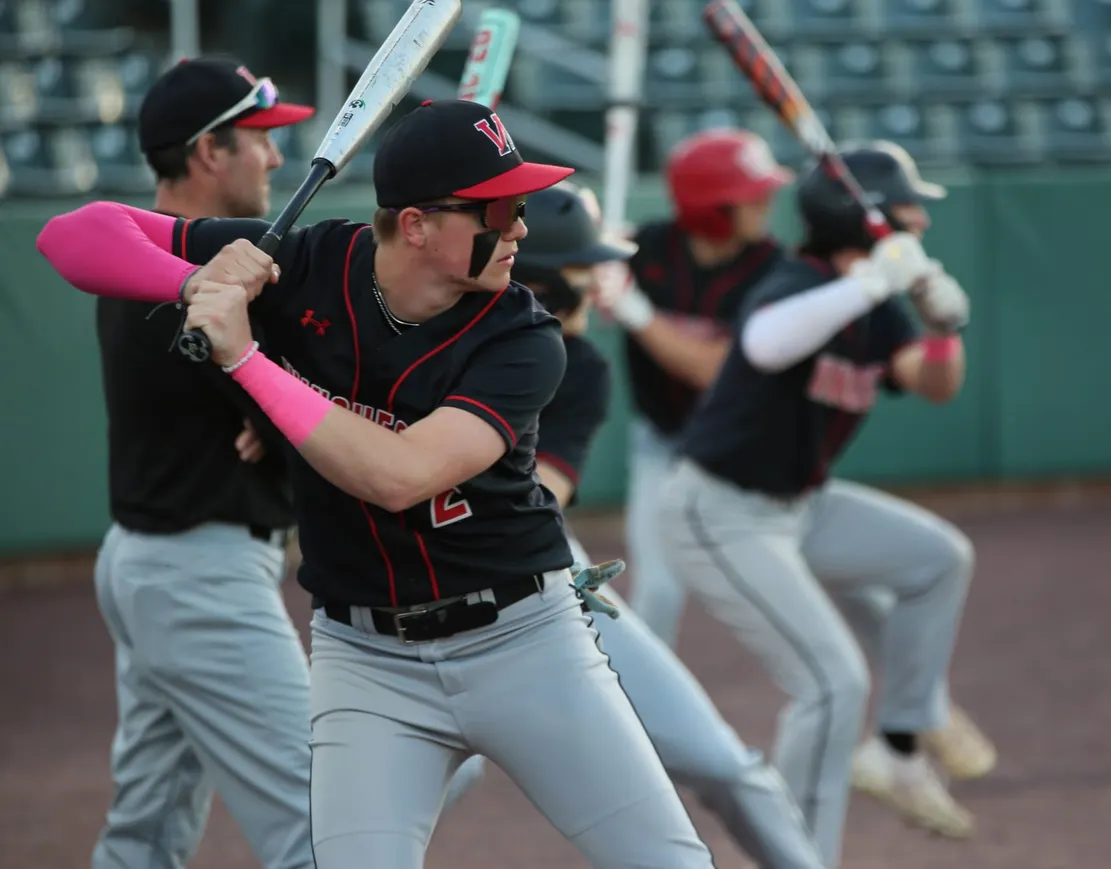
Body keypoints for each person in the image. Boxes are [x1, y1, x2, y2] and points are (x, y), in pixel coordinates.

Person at [37, 99, 715, 869]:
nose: (521, 227)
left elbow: (398, 476)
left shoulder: (524, 336)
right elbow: (72, 234)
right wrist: (195, 281)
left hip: (522, 641)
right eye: (500, 208)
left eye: (521, 205)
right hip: (367, 660)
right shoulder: (312, 259)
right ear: (418, 226)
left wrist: (248, 359)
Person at [440, 181, 826, 869]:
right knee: (405, 778)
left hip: (544, 578)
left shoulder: (577, 366)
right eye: (587, 269)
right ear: (550, 286)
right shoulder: (413, 341)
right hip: (403, 602)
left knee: (719, 760)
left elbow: (537, 503)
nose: (601, 283)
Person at [655, 141, 989, 862]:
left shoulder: (878, 303)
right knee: (831, 682)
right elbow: (769, 343)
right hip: (718, 511)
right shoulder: (796, 281)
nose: (920, 224)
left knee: (937, 558)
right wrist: (871, 283)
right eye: (908, 209)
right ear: (862, 219)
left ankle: (900, 746)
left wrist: (939, 327)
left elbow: (934, 385)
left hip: (798, 507)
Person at [87, 56, 316, 869]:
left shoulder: (141, 257)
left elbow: (285, 414)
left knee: (146, 834)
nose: (278, 158)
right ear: (209, 152)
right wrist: (283, 406)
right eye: (259, 140)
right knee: (327, 826)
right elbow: (312, 424)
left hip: (159, 562)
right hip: (198, 573)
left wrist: (278, 408)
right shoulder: (174, 271)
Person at [592, 127, 790, 650]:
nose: (767, 200)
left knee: (817, 575)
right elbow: (565, 297)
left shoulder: (774, 270)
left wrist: (635, 310)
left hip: (751, 455)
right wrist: (590, 263)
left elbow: (716, 372)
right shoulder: (647, 247)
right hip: (663, 444)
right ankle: (640, 721)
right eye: (752, 193)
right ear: (711, 206)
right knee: (656, 591)